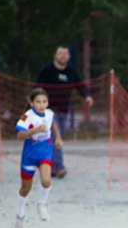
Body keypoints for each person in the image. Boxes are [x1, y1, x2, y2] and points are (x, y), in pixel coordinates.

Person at [36, 45, 94, 179]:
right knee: (57, 136)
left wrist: (87, 96)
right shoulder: (47, 70)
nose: (63, 56)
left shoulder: (71, 72)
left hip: (63, 109)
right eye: (60, 53)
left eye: (65, 54)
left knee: (54, 137)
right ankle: (59, 166)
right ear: (55, 56)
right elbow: (37, 88)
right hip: (48, 110)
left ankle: (47, 165)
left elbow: (80, 86)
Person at [13, 88, 63, 228]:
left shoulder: (49, 113)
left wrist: (58, 138)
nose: (42, 105)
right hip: (29, 154)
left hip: (45, 152)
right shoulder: (26, 117)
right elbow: (19, 135)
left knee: (46, 179)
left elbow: (52, 123)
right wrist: (35, 131)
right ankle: (20, 215)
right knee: (25, 188)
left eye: (44, 101)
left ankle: (42, 203)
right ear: (31, 103)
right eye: (38, 102)